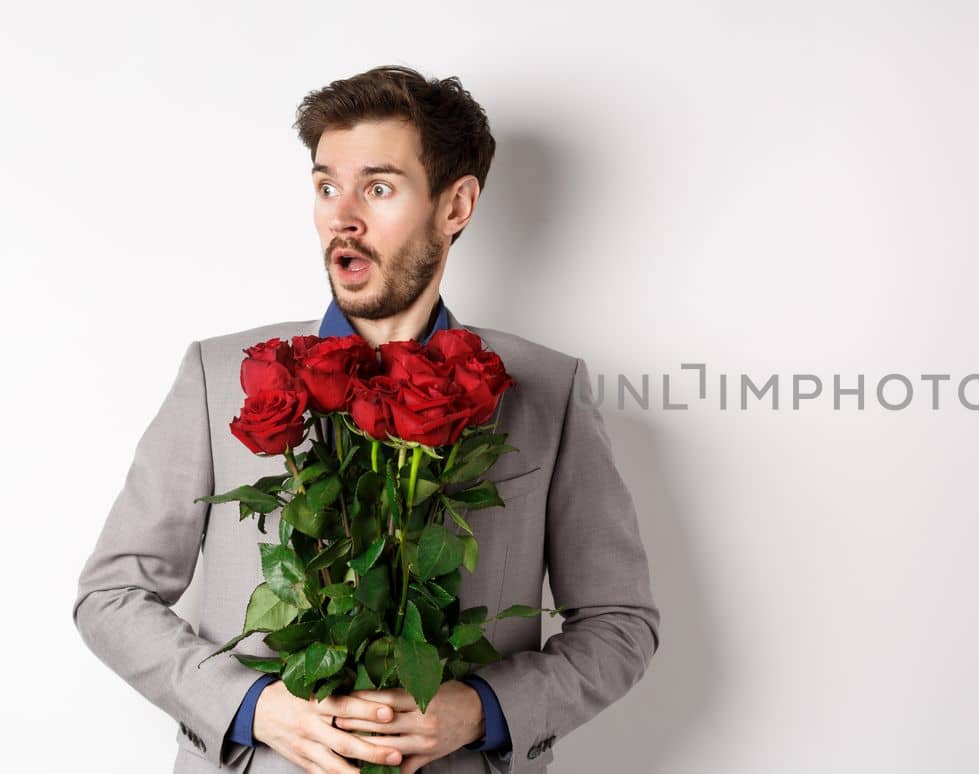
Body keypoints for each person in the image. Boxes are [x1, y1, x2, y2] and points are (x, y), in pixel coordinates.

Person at [73, 65, 661, 774]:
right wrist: (253, 706)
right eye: (326, 186)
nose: (341, 217)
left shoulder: (547, 389)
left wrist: (482, 710)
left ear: (456, 206)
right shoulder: (219, 375)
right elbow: (112, 595)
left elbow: (620, 624)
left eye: (378, 188)